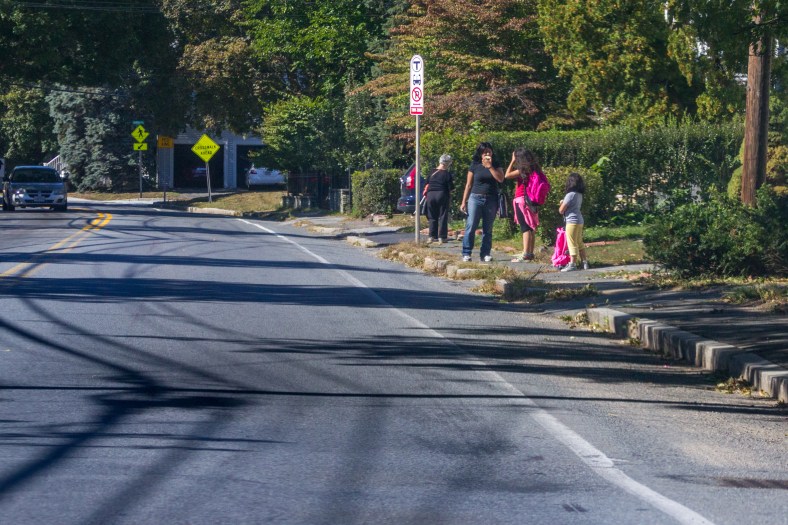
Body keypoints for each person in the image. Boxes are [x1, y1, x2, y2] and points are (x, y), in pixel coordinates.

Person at [460, 142, 504, 262]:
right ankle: (466, 252)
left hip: (491, 198)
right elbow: (468, 184)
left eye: (489, 152)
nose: (487, 154)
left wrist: (490, 167)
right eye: (485, 152)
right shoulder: (475, 165)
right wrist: (464, 201)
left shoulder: (495, 164)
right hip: (475, 198)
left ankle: (485, 253)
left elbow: (500, 178)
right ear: (480, 154)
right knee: (471, 225)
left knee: (488, 228)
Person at [505, 148, 545, 262]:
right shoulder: (535, 168)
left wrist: (512, 161)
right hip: (532, 201)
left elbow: (507, 175)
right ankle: (530, 253)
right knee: (531, 227)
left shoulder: (522, 170)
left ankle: (526, 253)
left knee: (525, 227)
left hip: (522, 200)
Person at [558, 172, 589, 271]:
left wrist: (562, 203)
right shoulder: (579, 194)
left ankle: (572, 264)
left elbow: (561, 210)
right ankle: (585, 262)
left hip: (572, 221)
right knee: (579, 242)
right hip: (580, 220)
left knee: (572, 243)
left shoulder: (570, 195)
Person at [423, 153, 454, 243]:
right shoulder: (447, 174)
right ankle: (442, 237)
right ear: (448, 163)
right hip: (442, 194)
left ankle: (432, 236)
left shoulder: (432, 172)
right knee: (443, 216)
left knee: (432, 216)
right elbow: (451, 188)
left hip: (431, 195)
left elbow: (426, 184)